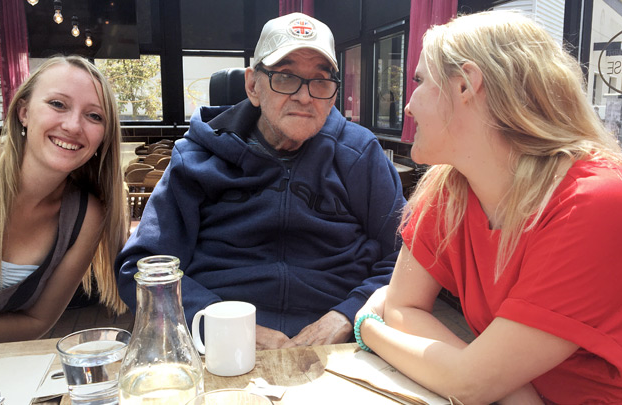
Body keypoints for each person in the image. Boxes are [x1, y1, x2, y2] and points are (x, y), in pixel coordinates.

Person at [354, 11, 622, 404]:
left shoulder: (595, 201)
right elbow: (406, 307)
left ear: (466, 84)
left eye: (419, 81)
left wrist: (368, 326)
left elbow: (471, 383)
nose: (407, 106)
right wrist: (504, 386)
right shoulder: (450, 187)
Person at [116, 12, 405, 349]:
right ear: (253, 85)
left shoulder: (360, 155)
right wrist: (220, 324)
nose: (305, 96)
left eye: (321, 80)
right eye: (285, 76)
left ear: (334, 93)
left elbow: (406, 260)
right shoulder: (196, 158)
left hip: (339, 348)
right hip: (219, 349)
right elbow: (141, 270)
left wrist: (347, 316)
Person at [0, 55, 129, 345]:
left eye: (94, 116)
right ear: (23, 111)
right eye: (58, 104)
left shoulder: (85, 216)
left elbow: (37, 322)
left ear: (104, 137)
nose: (73, 126)